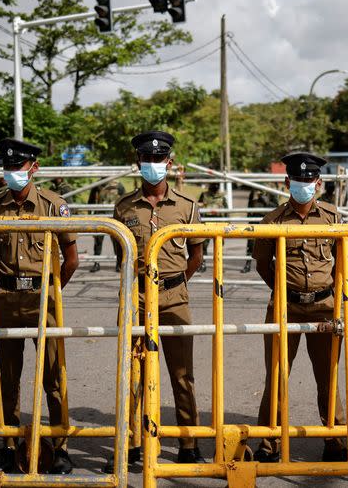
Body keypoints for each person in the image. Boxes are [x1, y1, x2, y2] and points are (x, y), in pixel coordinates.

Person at [0, 138, 79, 475]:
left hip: (44, 299)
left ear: (33, 168)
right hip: (7, 299)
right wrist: (10, 284)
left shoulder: (54, 206)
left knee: (54, 377)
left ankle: (62, 446)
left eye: (19, 167)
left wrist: (50, 290)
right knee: (7, 379)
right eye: (7, 167)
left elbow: (71, 259)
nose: (13, 173)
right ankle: (9, 445)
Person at [110, 130, 206, 468]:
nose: (153, 165)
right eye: (147, 159)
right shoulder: (123, 207)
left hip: (174, 296)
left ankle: (189, 443)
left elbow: (197, 254)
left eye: (159, 159)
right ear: (138, 163)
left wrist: (175, 283)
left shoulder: (187, 206)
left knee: (182, 374)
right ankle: (133, 443)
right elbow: (120, 255)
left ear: (170, 162)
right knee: (133, 372)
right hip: (135, 297)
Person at [251, 152, 347, 463]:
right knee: (276, 376)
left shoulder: (333, 218)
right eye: (298, 180)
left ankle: (335, 439)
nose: (304, 184)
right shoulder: (273, 220)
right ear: (287, 182)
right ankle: (269, 442)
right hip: (285, 306)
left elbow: (342, 263)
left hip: (325, 306)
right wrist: (285, 291)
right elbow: (263, 264)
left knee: (328, 375)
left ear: (318, 183)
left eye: (310, 180)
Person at [87, 180, 126, 272]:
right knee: (98, 241)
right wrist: (90, 216)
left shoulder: (118, 185)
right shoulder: (97, 186)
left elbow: (124, 201)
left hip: (113, 217)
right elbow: (91, 202)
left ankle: (118, 263)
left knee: (116, 241)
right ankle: (96, 263)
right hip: (100, 217)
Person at [243, 187, 280, 273]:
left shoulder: (271, 191)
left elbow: (276, 206)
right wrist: (249, 218)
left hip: (266, 220)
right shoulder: (254, 190)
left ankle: (269, 266)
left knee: (268, 245)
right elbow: (250, 204)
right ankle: (248, 264)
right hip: (254, 220)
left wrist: (266, 201)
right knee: (251, 244)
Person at [197, 182, 228, 272]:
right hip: (207, 222)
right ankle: (202, 264)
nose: (214, 187)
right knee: (203, 246)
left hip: (219, 223)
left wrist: (227, 224)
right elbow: (199, 208)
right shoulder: (204, 195)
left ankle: (219, 266)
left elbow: (226, 211)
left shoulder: (222, 197)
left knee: (218, 246)